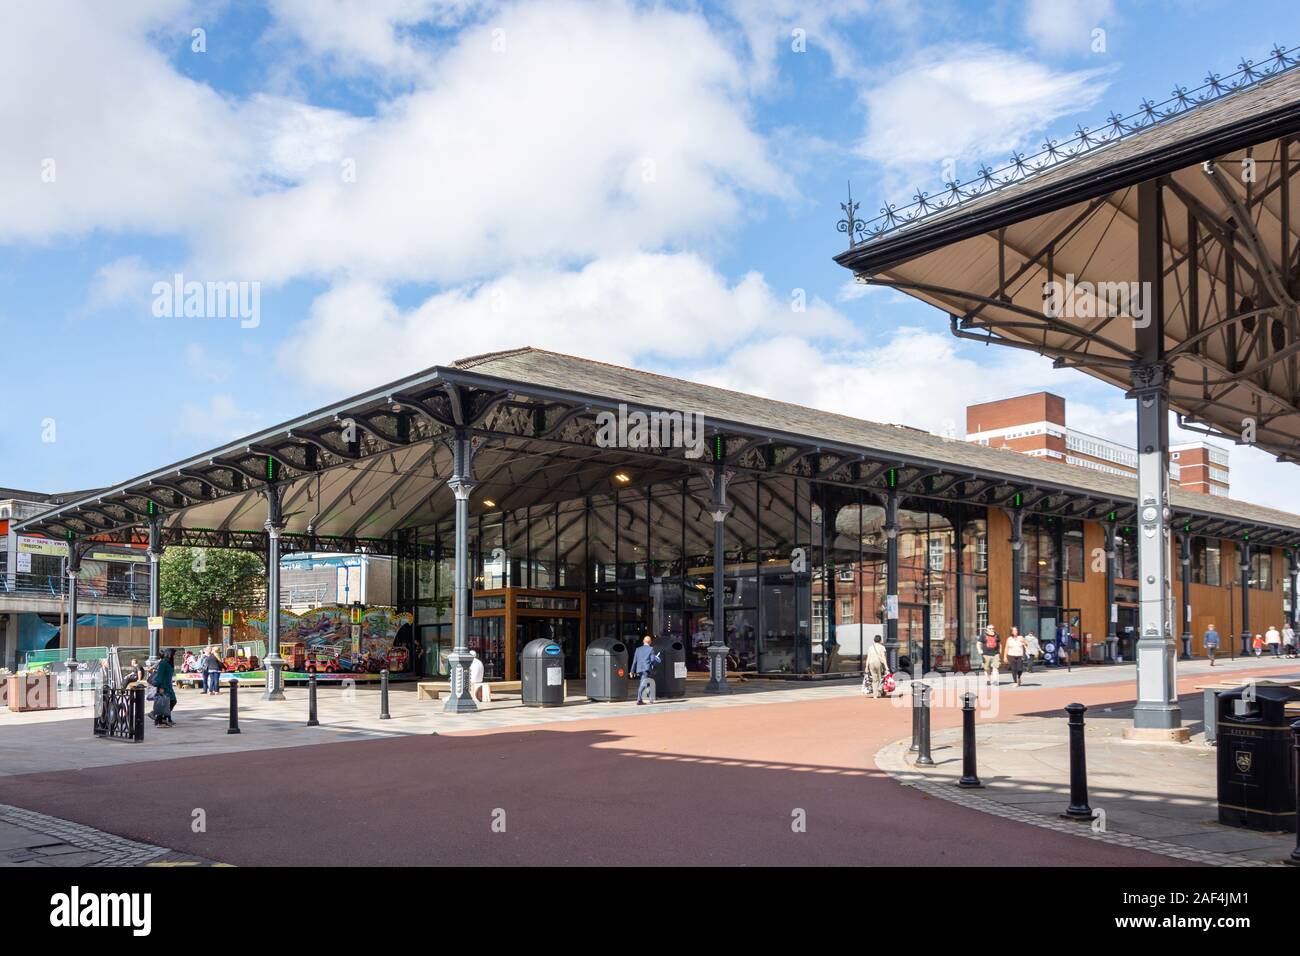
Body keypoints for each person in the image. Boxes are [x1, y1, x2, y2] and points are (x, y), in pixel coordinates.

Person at [629, 635, 660, 705]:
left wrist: (631, 671)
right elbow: (652, 660)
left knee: (647, 683)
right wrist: (656, 660)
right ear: (650, 642)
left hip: (639, 669)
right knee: (643, 684)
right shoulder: (651, 649)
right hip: (646, 669)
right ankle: (639, 699)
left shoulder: (638, 649)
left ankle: (651, 698)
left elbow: (634, 661)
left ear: (643, 641)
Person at [151, 648, 177, 726]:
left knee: (169, 702)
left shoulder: (169, 662)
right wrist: (161, 687)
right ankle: (159, 718)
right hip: (163, 685)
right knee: (169, 702)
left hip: (168, 685)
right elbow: (160, 676)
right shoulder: (163, 663)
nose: (174, 656)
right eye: (173, 654)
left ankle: (161, 719)